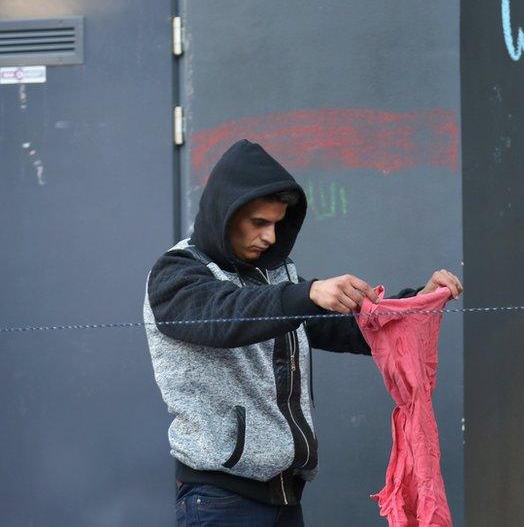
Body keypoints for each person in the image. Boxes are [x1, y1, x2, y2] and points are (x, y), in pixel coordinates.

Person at [142, 139, 462, 526]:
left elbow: (347, 330)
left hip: (286, 496)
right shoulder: (176, 273)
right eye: (259, 223)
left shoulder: (277, 276)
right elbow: (225, 315)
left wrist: (416, 303)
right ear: (224, 215)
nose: (271, 237)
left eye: (278, 224)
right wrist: (306, 294)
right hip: (220, 497)